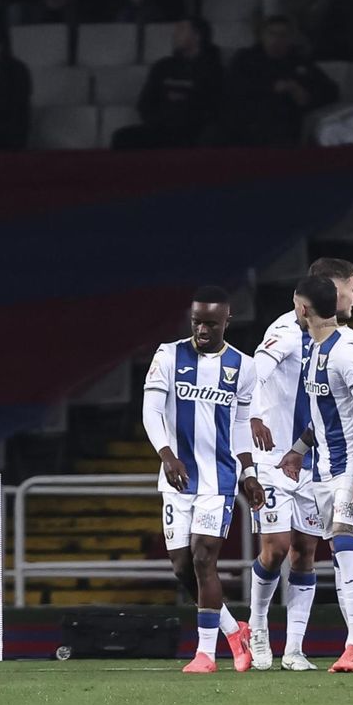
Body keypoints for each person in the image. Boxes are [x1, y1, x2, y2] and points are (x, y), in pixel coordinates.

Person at [140, 286, 264, 674]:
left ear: (227, 321)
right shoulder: (168, 356)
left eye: (211, 323)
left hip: (218, 481)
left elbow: (241, 425)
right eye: (197, 322)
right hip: (177, 478)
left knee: (203, 558)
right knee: (182, 568)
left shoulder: (243, 367)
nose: (202, 330)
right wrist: (167, 455)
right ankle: (233, 630)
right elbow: (151, 411)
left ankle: (205, 654)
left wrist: (249, 473)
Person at [246, 258, 353, 672]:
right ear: (328, 288)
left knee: (305, 552)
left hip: (316, 460)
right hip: (273, 458)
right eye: (350, 288)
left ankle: (294, 648)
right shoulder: (285, 330)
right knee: (275, 548)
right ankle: (257, 626)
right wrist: (253, 415)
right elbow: (256, 372)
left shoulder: (339, 339)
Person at [276, 275, 353, 673]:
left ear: (302, 308)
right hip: (326, 466)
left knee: (345, 542)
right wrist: (298, 450)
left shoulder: (350, 350)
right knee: (340, 555)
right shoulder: (314, 349)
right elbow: (324, 415)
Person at [219, 16, 338, 147]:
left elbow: (331, 91)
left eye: (283, 35)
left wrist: (303, 95)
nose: (277, 39)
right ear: (262, 36)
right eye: (271, 34)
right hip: (246, 120)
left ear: (291, 39)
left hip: (283, 125)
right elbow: (232, 88)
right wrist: (271, 88)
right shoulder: (246, 59)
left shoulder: (299, 62)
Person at [110, 19, 222, 149]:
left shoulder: (213, 70)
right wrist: (160, 121)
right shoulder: (163, 67)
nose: (174, 35)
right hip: (161, 129)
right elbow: (145, 103)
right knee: (122, 137)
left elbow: (214, 107)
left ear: (197, 36)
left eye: (181, 30)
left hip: (194, 132)